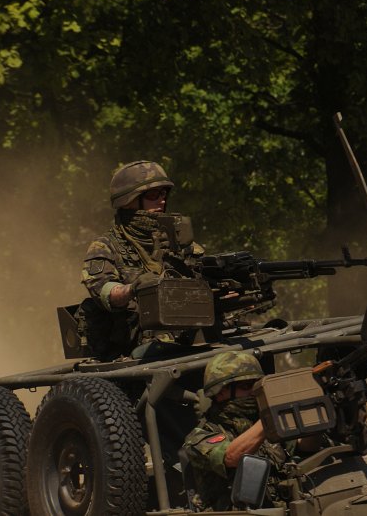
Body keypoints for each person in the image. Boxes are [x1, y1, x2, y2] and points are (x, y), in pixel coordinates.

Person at [80, 160, 203, 360]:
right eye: (153, 195)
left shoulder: (179, 240)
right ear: (129, 200)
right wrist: (132, 288)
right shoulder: (105, 246)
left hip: (187, 338)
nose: (162, 201)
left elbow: (204, 281)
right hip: (133, 351)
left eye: (164, 194)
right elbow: (104, 290)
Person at [181, 351, 294, 511]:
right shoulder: (200, 437)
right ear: (220, 392)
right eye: (246, 386)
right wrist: (270, 417)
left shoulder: (262, 423)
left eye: (257, 384)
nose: (254, 392)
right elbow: (231, 457)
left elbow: (306, 447)